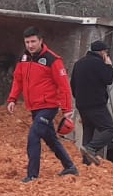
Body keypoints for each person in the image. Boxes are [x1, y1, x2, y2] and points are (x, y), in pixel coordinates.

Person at [7, 27, 78, 182]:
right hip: (34, 107)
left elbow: (64, 85)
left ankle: (32, 175)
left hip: (48, 106)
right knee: (50, 138)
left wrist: (67, 109)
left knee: (34, 135)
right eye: (27, 42)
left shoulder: (53, 59)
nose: (30, 45)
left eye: (33, 41)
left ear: (40, 41)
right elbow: (18, 80)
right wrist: (12, 99)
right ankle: (69, 166)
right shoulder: (24, 58)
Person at [71, 40, 113, 166]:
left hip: (81, 104)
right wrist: (108, 65)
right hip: (96, 104)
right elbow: (109, 79)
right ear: (102, 52)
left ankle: (86, 163)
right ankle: (91, 148)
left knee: (88, 131)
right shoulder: (100, 64)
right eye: (106, 52)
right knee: (110, 129)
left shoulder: (78, 64)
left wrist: (79, 99)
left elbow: (72, 84)